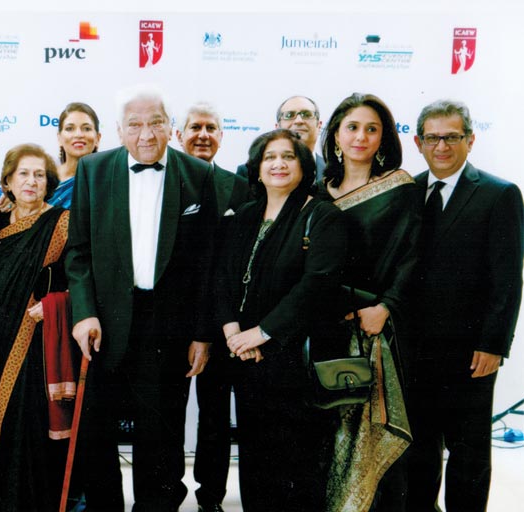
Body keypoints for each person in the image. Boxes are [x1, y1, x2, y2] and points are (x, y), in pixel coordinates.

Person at [66, 84, 218, 510]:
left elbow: (208, 264)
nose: (146, 134)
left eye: (155, 123)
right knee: (97, 437)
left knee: (162, 438)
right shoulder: (93, 170)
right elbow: (78, 252)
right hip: (104, 323)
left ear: (170, 127)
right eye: (134, 125)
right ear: (118, 130)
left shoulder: (199, 175)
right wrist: (84, 313)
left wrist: (202, 334)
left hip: (168, 328)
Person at [215, 128, 347, 511]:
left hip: (293, 361)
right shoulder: (243, 216)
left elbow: (317, 284)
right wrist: (234, 334)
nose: (278, 164)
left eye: (288, 156)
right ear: (256, 168)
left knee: (298, 466)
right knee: (256, 462)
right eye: (269, 157)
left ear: (303, 166)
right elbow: (222, 278)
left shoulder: (321, 215)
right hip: (246, 359)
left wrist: (262, 334)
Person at [406, 100, 523, 511]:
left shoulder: (499, 194)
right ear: (418, 142)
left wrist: (493, 345)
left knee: (468, 453)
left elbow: (507, 279)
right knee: (417, 451)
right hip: (412, 351)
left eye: (452, 137)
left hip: (470, 353)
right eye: (433, 138)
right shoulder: (406, 193)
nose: (442, 146)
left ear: (470, 140)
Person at [317, 92, 419, 511]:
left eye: (371, 129)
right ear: (335, 136)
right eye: (352, 127)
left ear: (383, 138)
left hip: (377, 329)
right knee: (326, 430)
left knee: (376, 431)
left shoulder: (399, 188)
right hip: (325, 328)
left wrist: (386, 307)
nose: (361, 137)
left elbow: (412, 256)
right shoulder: (316, 191)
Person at [0, 143, 71, 511]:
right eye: (23, 174)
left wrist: (55, 305)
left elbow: (82, 280)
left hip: (33, 342)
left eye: (39, 175)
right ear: (8, 182)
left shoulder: (61, 223)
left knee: (24, 432)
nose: (31, 181)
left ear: (49, 183)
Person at [175, 101, 248, 512]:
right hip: (167, 322)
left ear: (222, 135)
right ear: (178, 134)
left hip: (221, 321)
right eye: (195, 127)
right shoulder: (163, 180)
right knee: (164, 415)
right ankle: (165, 493)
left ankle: (211, 498)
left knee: (216, 416)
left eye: (211, 128)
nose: (203, 135)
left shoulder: (239, 187)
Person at [238, 95, 326, 181]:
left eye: (306, 115)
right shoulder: (248, 171)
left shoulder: (331, 170)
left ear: (319, 126)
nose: (298, 121)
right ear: (278, 128)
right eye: (289, 115)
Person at [49, 102, 101, 209]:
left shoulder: (106, 181)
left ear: (97, 138)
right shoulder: (44, 179)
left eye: (86, 129)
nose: (78, 135)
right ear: (59, 138)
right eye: (69, 128)